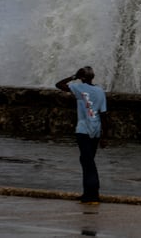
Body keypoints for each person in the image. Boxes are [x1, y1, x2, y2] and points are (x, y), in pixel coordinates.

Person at [56, 66, 109, 204]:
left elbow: (59, 85)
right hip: (96, 131)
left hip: (83, 130)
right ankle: (87, 193)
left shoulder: (79, 88)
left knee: (88, 162)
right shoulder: (100, 91)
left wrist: (74, 76)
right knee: (86, 160)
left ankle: (93, 195)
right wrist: (104, 136)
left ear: (82, 77)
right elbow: (104, 115)